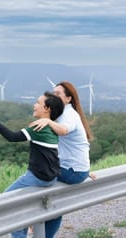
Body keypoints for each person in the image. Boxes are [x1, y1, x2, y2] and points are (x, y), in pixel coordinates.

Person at [0, 91, 65, 238]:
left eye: (38, 102)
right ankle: (29, 222)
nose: (34, 105)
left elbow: (12, 137)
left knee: (6, 200)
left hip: (38, 177)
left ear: (47, 109)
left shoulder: (38, 128)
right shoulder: (53, 127)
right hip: (51, 178)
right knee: (22, 203)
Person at [29, 81, 94, 237]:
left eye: (58, 93)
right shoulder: (63, 113)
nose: (54, 95)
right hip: (76, 169)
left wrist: (48, 121)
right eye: (53, 92)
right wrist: (84, 171)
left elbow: (64, 130)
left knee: (36, 178)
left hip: (72, 171)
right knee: (55, 203)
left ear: (69, 99)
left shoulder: (68, 114)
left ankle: (30, 220)